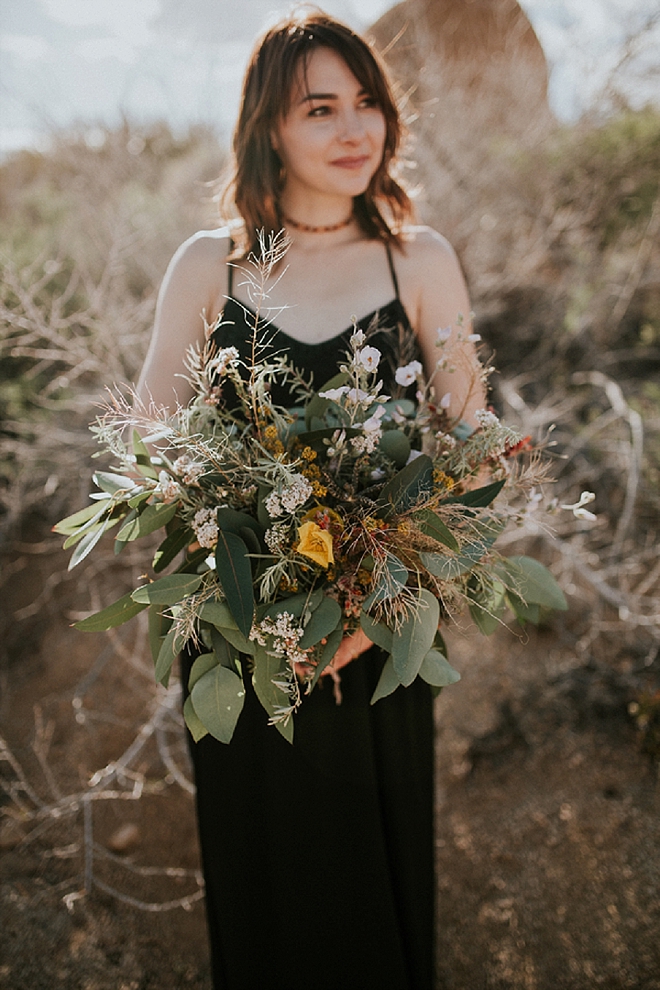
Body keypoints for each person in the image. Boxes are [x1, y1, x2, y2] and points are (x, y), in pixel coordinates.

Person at [137, 9, 485, 989]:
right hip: (248, 637)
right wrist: (244, 578)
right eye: (320, 108)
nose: (353, 129)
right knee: (267, 900)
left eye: (367, 102)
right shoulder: (213, 263)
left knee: (372, 895)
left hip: (380, 636)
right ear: (269, 130)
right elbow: (152, 440)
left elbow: (467, 458)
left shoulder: (418, 262)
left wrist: (374, 608)